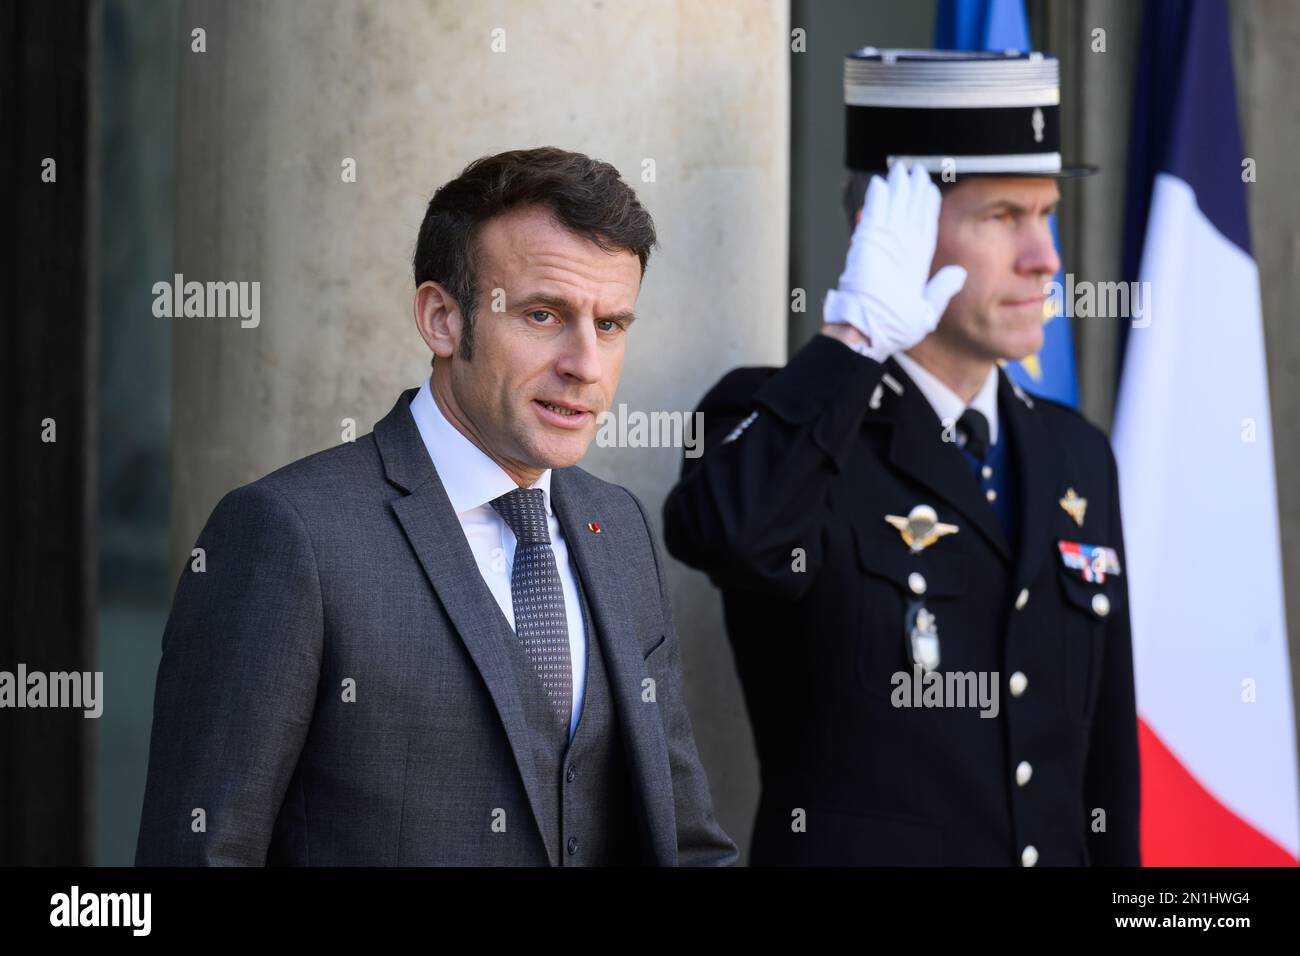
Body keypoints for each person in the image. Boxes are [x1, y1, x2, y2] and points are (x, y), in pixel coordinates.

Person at [136, 147, 736, 866]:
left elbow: (685, 838)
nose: (585, 364)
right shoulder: (288, 535)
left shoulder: (619, 527)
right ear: (442, 318)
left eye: (609, 325)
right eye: (545, 315)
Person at [664, 50, 1139, 866]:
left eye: (1047, 212)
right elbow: (730, 532)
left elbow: (1105, 770)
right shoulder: (775, 419)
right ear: (886, 227)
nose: (1046, 258)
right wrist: (854, 338)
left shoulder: (1075, 453)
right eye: (1002, 217)